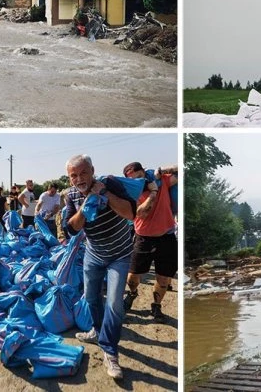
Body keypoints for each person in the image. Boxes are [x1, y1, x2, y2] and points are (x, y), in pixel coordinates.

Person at [63, 154, 136, 380]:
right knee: (91, 298)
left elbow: (130, 213)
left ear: (92, 170)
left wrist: (103, 194)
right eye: (74, 175)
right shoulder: (71, 195)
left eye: (83, 172)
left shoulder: (110, 183)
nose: (79, 178)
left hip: (120, 255)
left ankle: (110, 352)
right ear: (69, 178)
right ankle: (96, 330)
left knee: (114, 304)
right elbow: (71, 230)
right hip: (94, 254)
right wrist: (85, 206)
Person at [122, 161, 178, 322]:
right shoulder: (131, 193)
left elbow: (181, 171)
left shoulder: (162, 181)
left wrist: (160, 171)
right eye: (133, 180)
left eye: (140, 177)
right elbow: (141, 213)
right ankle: (132, 293)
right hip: (143, 238)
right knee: (132, 277)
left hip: (166, 237)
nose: (138, 182)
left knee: (163, 278)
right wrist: (153, 192)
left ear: (144, 173)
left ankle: (156, 305)